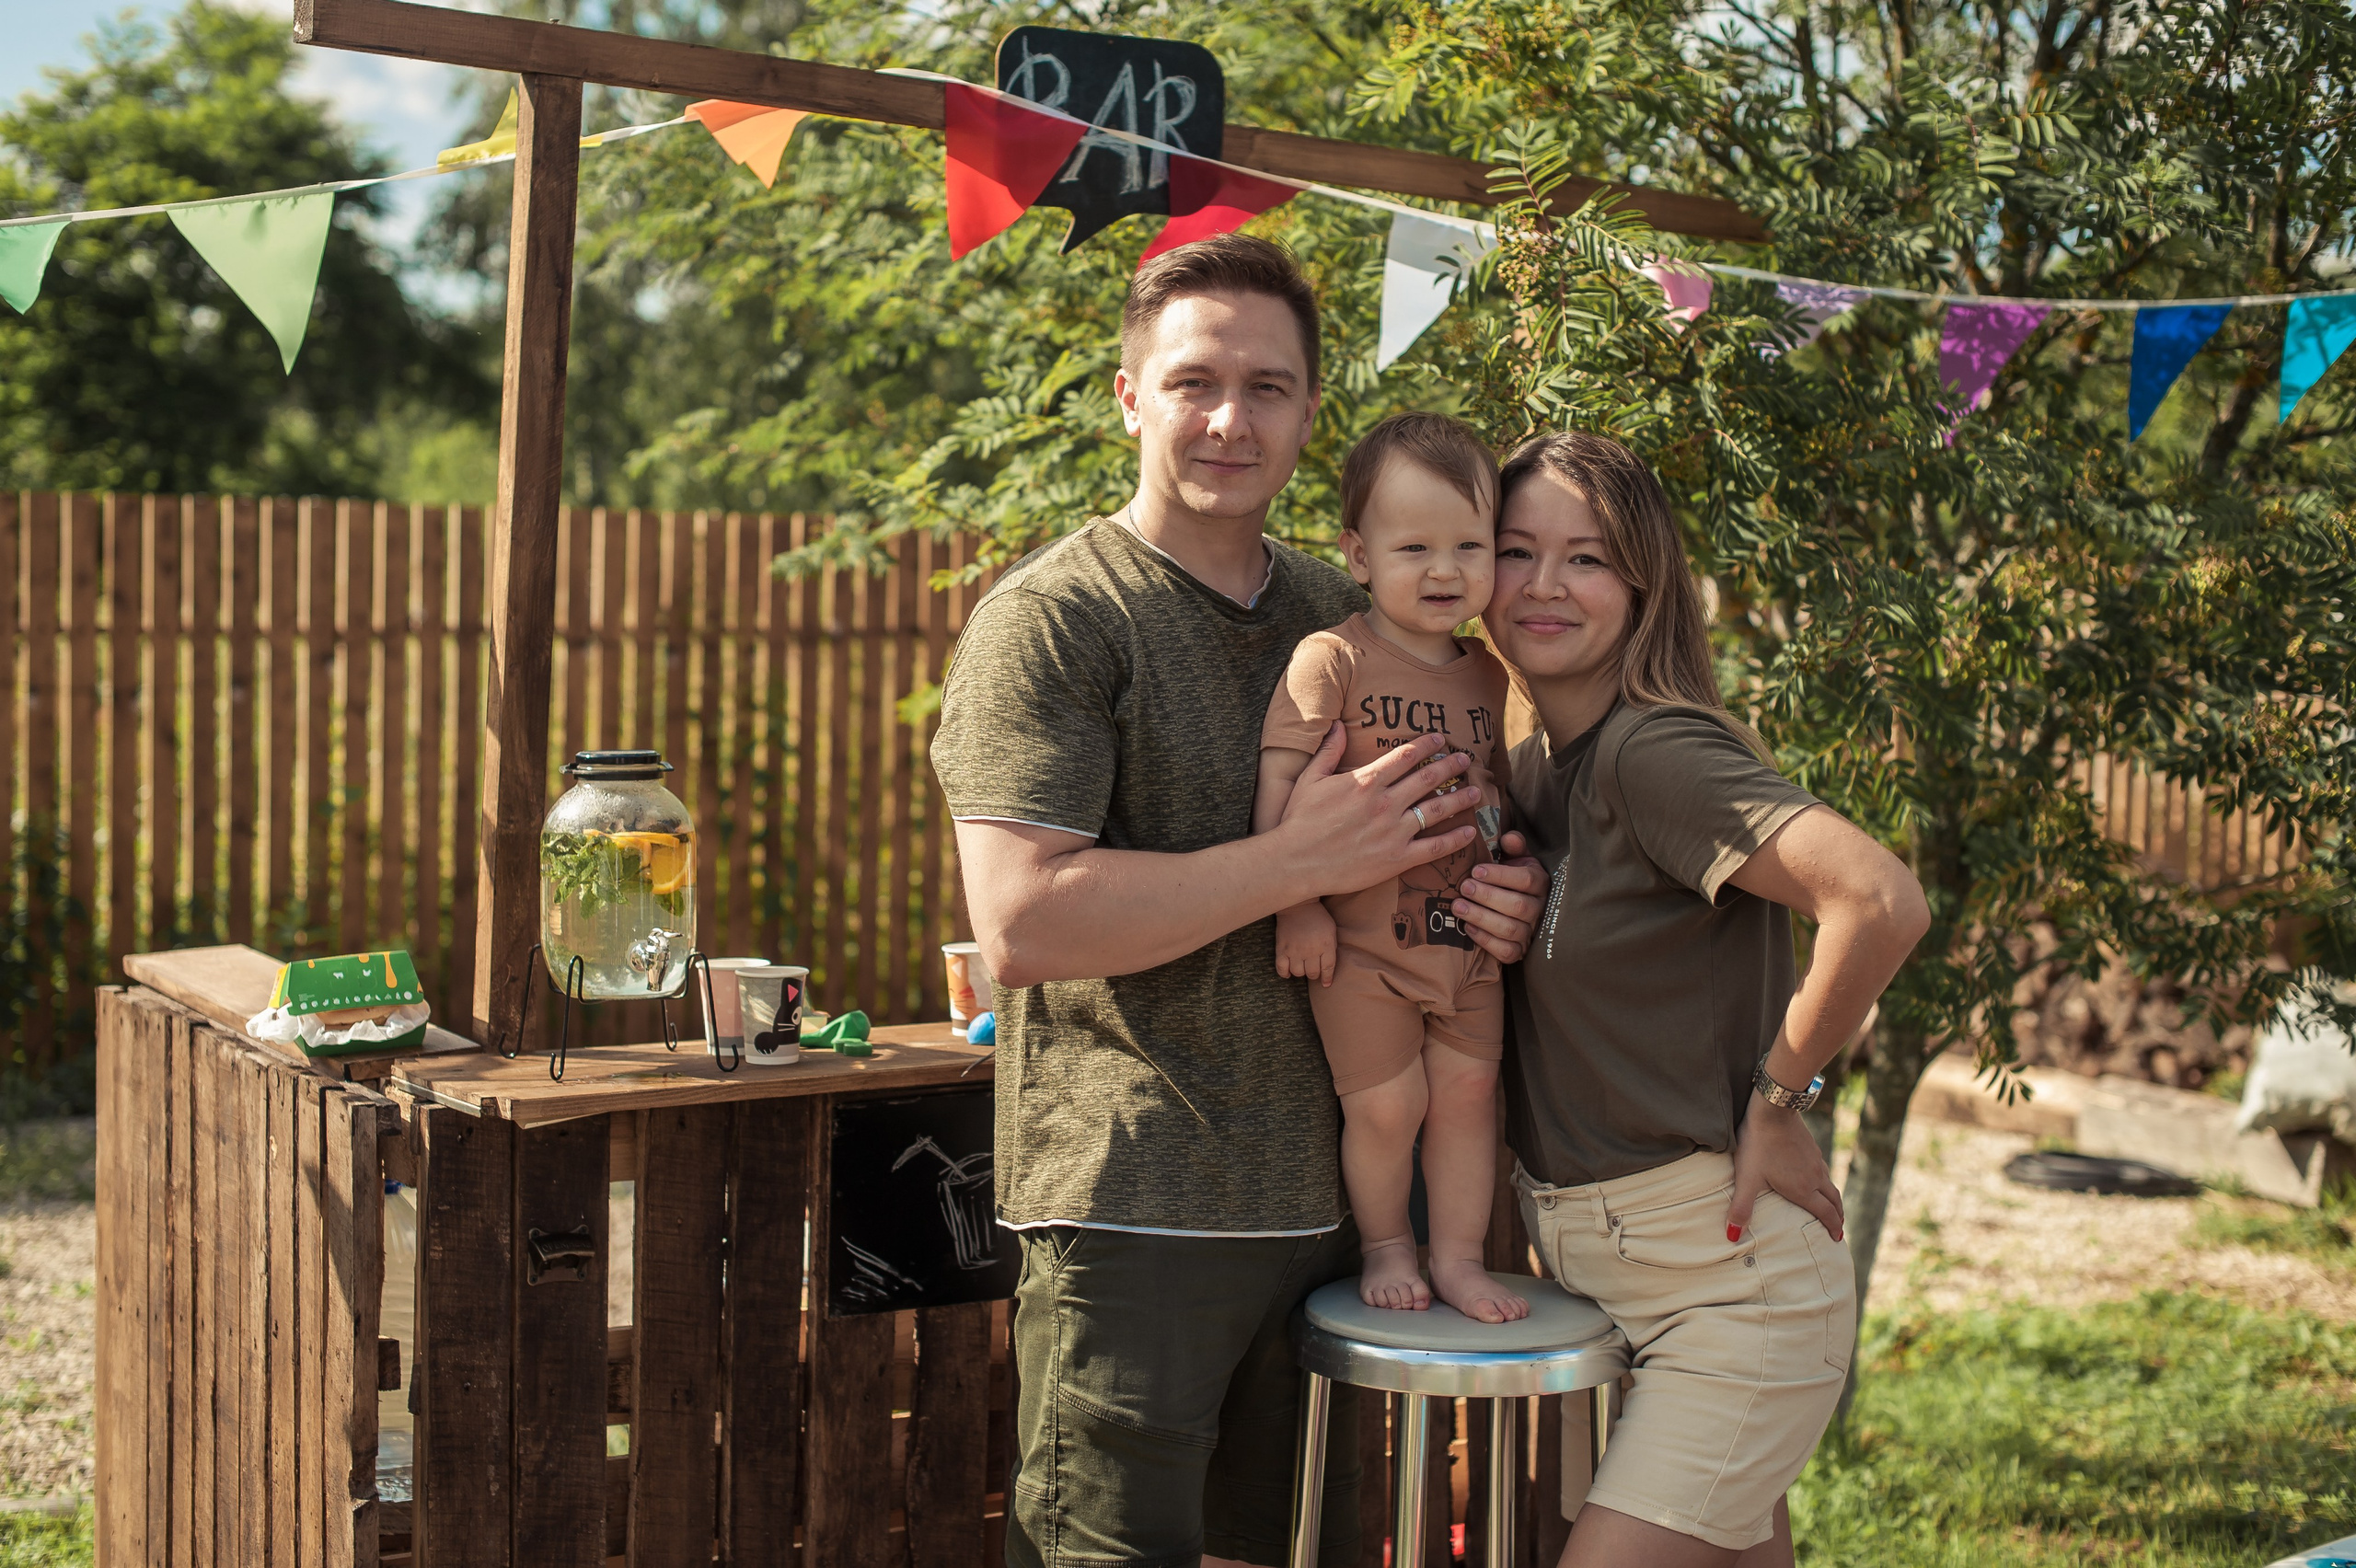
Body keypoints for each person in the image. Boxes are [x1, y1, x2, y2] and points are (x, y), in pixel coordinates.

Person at [929, 235, 1552, 1568]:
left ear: (1312, 415)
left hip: (1336, 1217)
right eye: (1195, 379)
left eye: (1268, 387)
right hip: (1142, 1208)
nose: (1229, 417)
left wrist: (1508, 887)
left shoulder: (1362, 608)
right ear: (1129, 397)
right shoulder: (1055, 620)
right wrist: (1294, 867)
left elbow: (1477, 798)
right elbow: (1024, 925)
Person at [1480, 431, 1929, 1568]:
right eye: (1515, 550)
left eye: (1585, 559)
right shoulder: (1535, 768)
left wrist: (1782, 1098)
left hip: (1733, 1290)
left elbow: (1878, 901)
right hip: (1611, 1284)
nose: (1541, 585)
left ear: (1643, 587)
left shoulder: (1652, 751)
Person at [1253, 412, 1528, 1324]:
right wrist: (1296, 908)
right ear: (1358, 555)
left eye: (1469, 546)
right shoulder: (1332, 658)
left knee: (1468, 1096)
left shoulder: (1495, 678)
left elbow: (1515, 796)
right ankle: (1386, 1246)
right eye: (1414, 546)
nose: (1445, 571)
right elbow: (1283, 779)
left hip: (1470, 943)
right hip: (1361, 947)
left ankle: (1456, 1258)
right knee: (1386, 1106)